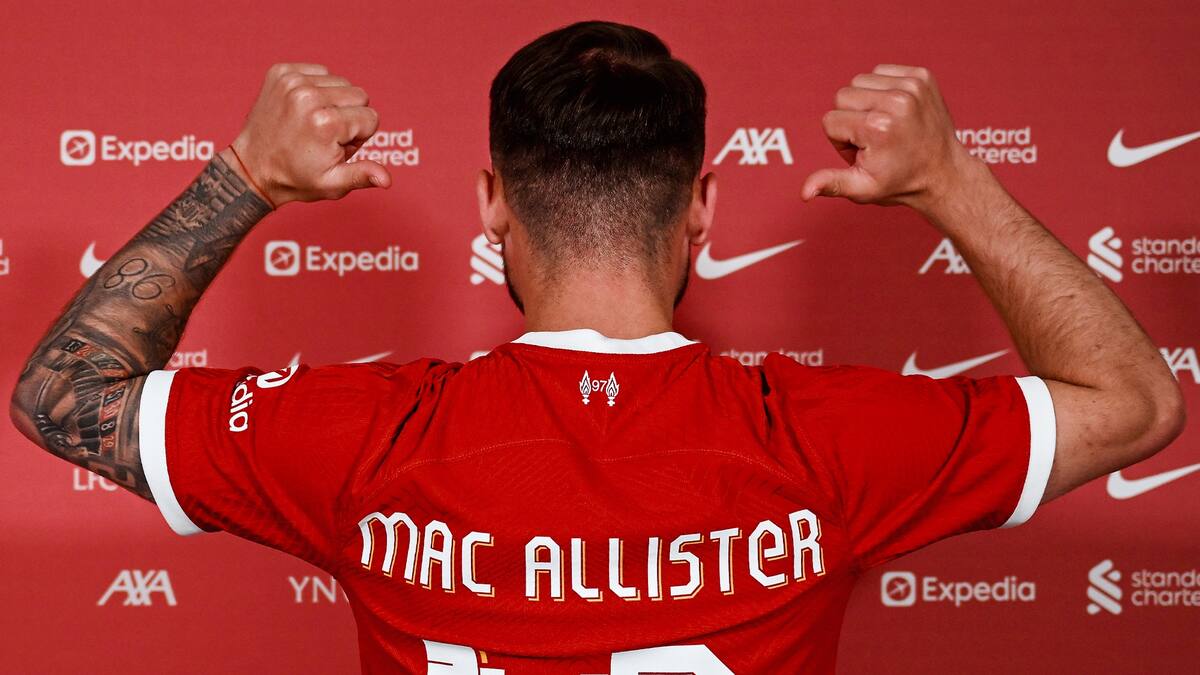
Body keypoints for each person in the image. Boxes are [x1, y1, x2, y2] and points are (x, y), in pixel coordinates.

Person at [10, 20, 1184, 674]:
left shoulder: (368, 438)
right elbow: (1136, 402)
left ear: (491, 203)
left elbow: (62, 392)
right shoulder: (820, 438)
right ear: (704, 209)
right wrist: (952, 180)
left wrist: (248, 176)